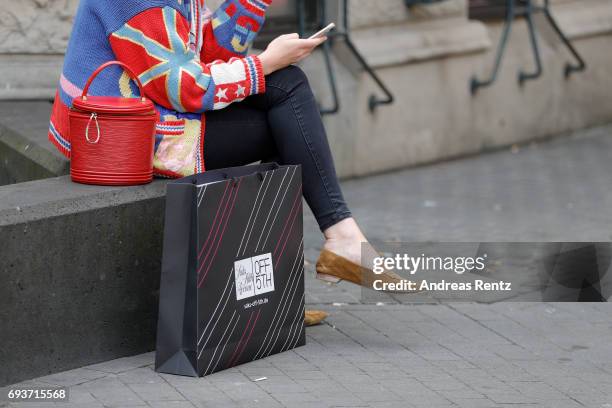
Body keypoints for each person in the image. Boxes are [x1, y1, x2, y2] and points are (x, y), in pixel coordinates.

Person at [48, 0, 408, 327]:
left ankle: (297, 277)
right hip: (122, 138)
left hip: (149, 118)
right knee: (286, 114)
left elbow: (208, 52)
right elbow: (186, 88)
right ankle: (313, 263)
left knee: (285, 89)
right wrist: (266, 62)